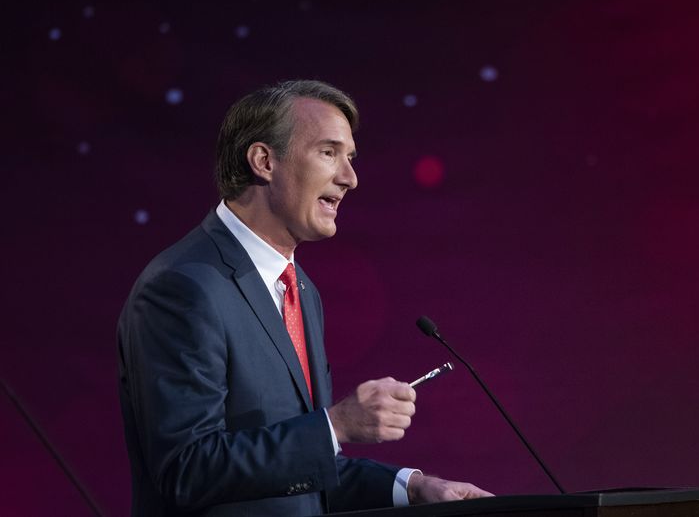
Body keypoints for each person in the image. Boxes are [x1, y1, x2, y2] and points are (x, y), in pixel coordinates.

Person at [117, 80, 491, 516]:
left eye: (350, 158)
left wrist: (413, 487)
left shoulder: (301, 291)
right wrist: (337, 424)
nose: (350, 178)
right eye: (329, 152)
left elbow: (299, 471)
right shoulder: (184, 286)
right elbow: (188, 469)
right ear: (264, 161)